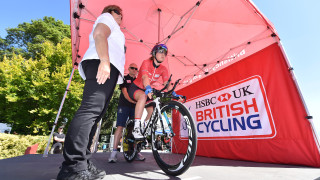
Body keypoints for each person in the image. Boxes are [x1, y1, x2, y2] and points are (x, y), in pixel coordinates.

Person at [57, 5, 125, 180]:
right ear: (111, 12)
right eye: (119, 13)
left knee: (95, 116)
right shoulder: (107, 18)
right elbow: (99, 34)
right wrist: (104, 61)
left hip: (109, 68)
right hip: (100, 63)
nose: (121, 17)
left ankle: (83, 163)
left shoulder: (115, 27)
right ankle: (72, 167)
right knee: (90, 111)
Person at [127, 44, 183, 140]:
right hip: (136, 88)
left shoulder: (163, 69)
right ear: (154, 53)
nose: (163, 55)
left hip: (147, 90)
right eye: (161, 52)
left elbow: (167, 84)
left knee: (152, 111)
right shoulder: (146, 62)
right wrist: (148, 88)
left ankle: (144, 128)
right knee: (143, 97)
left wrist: (175, 94)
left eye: (165, 53)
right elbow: (145, 77)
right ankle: (136, 128)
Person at [108, 63, 145, 162]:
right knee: (120, 126)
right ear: (128, 69)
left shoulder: (139, 81)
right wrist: (133, 101)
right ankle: (114, 153)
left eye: (136, 68)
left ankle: (135, 152)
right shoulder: (124, 78)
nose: (134, 70)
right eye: (132, 68)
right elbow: (124, 92)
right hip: (124, 105)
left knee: (134, 128)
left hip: (135, 107)